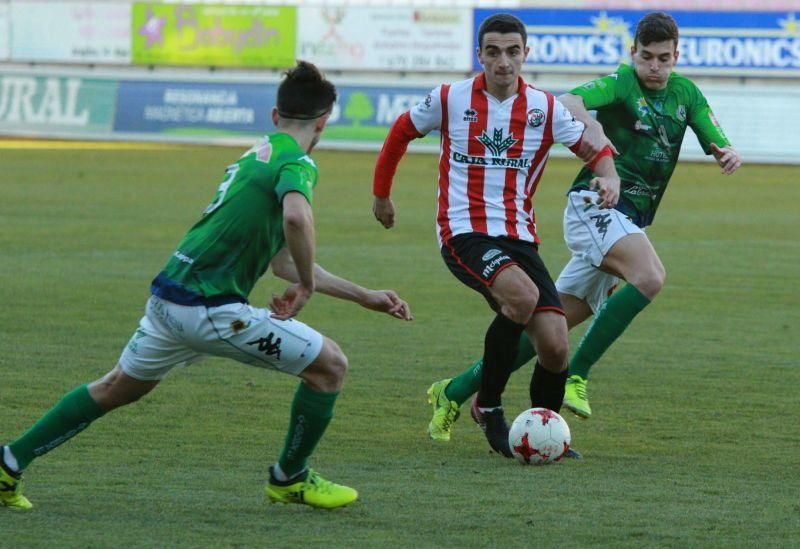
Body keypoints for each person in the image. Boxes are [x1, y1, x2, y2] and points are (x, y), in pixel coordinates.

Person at [0, 61, 412, 511]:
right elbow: (297, 218)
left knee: (117, 386)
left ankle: (8, 463)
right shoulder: (297, 162)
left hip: (167, 300)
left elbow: (281, 263)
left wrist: (364, 295)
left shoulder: (256, 156)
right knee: (330, 366)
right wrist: (309, 286)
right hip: (210, 310)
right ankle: (289, 478)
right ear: (323, 122)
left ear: (275, 117)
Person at [425, 11, 742, 440]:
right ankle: (579, 375)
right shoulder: (620, 83)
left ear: (676, 56)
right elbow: (571, 101)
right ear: (633, 54)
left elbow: (711, 131)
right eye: (646, 57)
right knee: (649, 276)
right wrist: (592, 124)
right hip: (593, 206)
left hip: (626, 219)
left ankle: (456, 391)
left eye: (663, 59)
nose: (654, 66)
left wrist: (725, 151)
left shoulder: (686, 94)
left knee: (548, 331)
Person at [371, 13, 620, 457]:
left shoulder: (544, 107)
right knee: (521, 299)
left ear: (526, 54)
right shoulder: (450, 98)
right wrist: (381, 196)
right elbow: (400, 132)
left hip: (519, 237)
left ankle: (546, 435)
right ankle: (487, 405)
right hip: (463, 230)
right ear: (480, 54)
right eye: (493, 51)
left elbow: (592, 147)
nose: (503, 61)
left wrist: (608, 174)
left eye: (512, 51)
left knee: (556, 345)